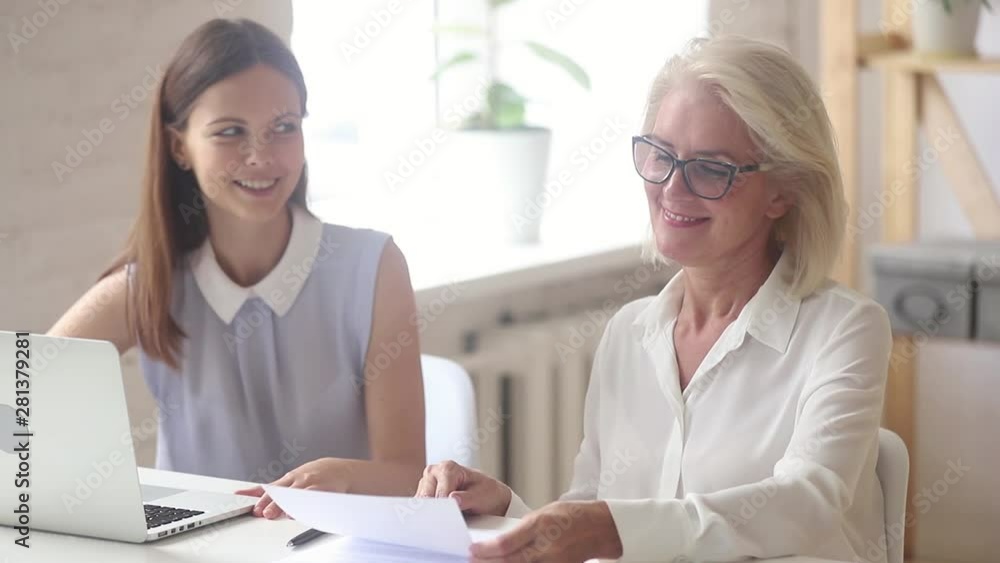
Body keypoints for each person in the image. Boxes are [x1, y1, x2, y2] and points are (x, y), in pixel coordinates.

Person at [416, 36, 893, 563]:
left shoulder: (845, 329)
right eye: (661, 155)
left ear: (782, 192)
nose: (671, 188)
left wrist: (607, 527)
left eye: (711, 168)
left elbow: (805, 507)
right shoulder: (629, 331)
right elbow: (596, 513)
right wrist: (506, 511)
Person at [48, 18, 425, 519]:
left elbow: (408, 475)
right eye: (230, 133)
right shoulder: (149, 285)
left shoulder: (373, 267)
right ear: (180, 147)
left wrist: (346, 475)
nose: (260, 156)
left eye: (283, 128)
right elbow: (22, 395)